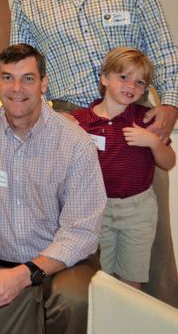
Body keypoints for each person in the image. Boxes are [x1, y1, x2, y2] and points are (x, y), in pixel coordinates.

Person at [11, 0, 178, 304]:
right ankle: (87, 315)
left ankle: (156, 320)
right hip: (72, 125)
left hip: (136, 125)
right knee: (78, 232)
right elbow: (26, 73)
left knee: (146, 236)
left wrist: (170, 102)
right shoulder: (28, 0)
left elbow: (163, 47)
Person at [0, 43, 106, 333]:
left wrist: (26, 273)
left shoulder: (75, 143)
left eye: (28, 78)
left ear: (44, 83)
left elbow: (82, 232)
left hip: (63, 264)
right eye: (7, 77)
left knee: (75, 300)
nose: (17, 88)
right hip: (0, 267)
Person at [71, 47, 175, 289]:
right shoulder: (80, 121)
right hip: (98, 209)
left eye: (140, 82)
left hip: (138, 211)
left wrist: (152, 142)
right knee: (101, 280)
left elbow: (169, 162)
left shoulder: (147, 119)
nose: (131, 85)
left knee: (132, 280)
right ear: (105, 78)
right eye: (124, 77)